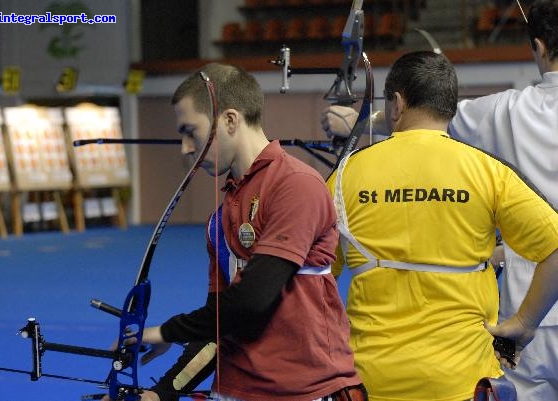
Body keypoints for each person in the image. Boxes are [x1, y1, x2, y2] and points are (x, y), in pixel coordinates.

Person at [321, 1, 558, 398]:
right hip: (526, 298)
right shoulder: (487, 166)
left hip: (528, 305)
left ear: (537, 45)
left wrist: (359, 118)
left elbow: (432, 114)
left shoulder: (506, 110)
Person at [106, 62, 366, 401]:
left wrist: (165, 331)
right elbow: (221, 324)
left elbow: (251, 301)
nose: (186, 148)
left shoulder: (295, 185)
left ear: (230, 120)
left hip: (306, 391)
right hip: (234, 390)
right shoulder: (221, 216)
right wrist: (163, 392)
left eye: (191, 131)